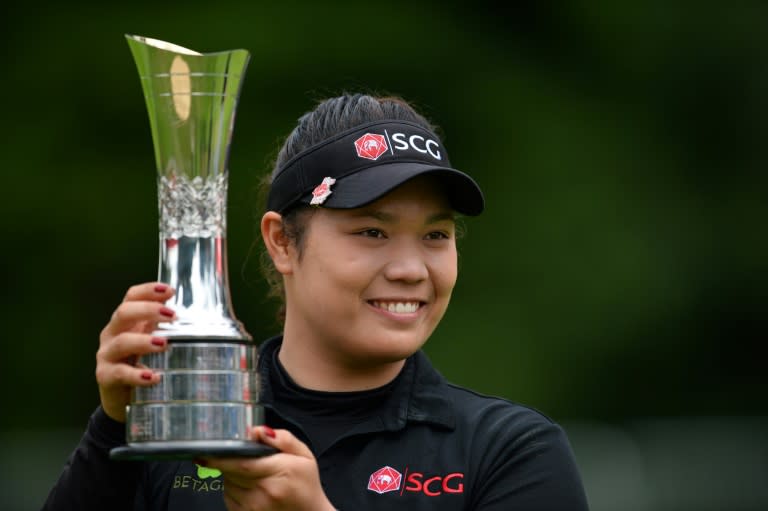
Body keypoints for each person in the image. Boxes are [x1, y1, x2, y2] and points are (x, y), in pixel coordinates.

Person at [43, 93, 590, 510]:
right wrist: (115, 423)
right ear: (282, 241)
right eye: (372, 233)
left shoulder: (509, 452)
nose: (410, 270)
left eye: (435, 235)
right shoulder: (189, 434)